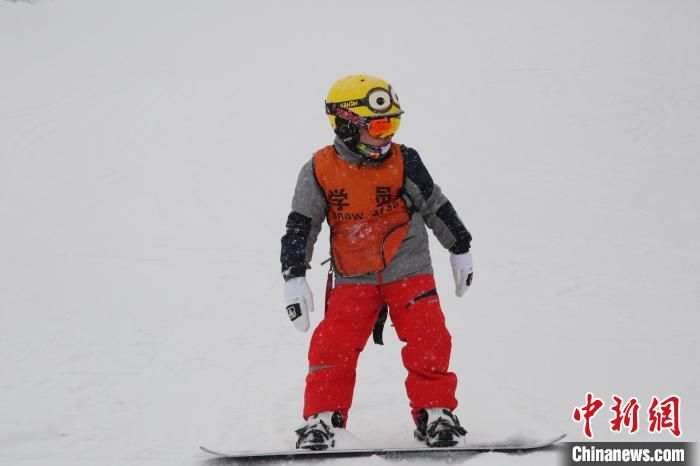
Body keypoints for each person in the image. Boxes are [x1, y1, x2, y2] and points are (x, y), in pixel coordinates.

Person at [280, 75, 473, 450]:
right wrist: (294, 275)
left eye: (393, 124)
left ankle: (435, 412)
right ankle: (323, 418)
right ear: (348, 126)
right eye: (380, 125)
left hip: (409, 269)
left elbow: (435, 205)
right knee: (332, 345)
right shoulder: (320, 168)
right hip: (353, 275)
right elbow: (301, 224)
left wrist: (460, 246)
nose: (387, 136)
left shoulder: (405, 160)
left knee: (428, 336)